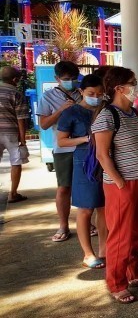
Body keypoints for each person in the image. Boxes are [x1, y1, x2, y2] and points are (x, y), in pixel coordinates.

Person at [91, 66, 138, 303]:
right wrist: (120, 182)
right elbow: (102, 154)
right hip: (123, 185)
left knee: (136, 233)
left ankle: (134, 274)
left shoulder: (134, 113)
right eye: (133, 82)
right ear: (119, 88)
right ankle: (116, 282)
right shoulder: (107, 115)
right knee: (120, 235)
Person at [57, 74, 106, 269]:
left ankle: (104, 250)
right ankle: (88, 253)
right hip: (84, 160)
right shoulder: (72, 112)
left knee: (104, 208)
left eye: (100, 93)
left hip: (106, 160)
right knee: (86, 208)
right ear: (81, 92)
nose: (96, 97)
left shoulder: (105, 110)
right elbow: (61, 141)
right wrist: (85, 139)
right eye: (91, 93)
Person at [36, 61, 82, 242]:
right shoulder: (48, 97)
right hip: (63, 148)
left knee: (84, 186)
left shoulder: (82, 94)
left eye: (73, 79)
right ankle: (63, 224)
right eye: (66, 79)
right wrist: (61, 110)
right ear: (57, 79)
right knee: (64, 187)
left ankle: (86, 221)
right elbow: (44, 124)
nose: (70, 82)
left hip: (84, 147)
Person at [0, 67, 30, 203]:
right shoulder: (16, 93)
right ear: (15, 79)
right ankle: (13, 194)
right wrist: (23, 140)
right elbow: (21, 119)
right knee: (16, 162)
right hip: (11, 132)